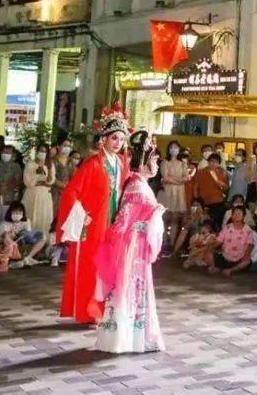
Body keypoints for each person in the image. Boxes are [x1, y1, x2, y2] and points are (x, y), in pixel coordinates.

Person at [56, 104, 131, 325]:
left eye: (121, 139)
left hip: (114, 223)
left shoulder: (121, 163)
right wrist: (82, 215)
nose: (117, 143)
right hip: (94, 224)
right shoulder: (93, 164)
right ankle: (90, 311)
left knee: (111, 267)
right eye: (114, 138)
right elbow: (71, 191)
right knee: (93, 267)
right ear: (104, 139)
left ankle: (106, 309)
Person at [93, 130, 166, 353]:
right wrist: (154, 218)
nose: (157, 165)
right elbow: (125, 223)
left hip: (136, 248)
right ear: (144, 161)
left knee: (134, 289)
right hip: (133, 249)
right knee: (131, 289)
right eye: (154, 160)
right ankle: (127, 338)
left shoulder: (137, 184)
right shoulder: (137, 187)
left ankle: (134, 337)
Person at [0, 201, 47, 268]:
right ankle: (15, 259)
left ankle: (28, 257)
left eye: (20, 212)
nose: (18, 214)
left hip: (25, 240)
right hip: (11, 243)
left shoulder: (26, 221)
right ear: (10, 212)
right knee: (9, 237)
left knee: (42, 235)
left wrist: (21, 234)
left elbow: (28, 235)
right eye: (15, 212)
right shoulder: (4, 224)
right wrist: (8, 235)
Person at [207, 204, 254, 277]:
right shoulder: (227, 227)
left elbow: (250, 244)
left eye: (239, 213)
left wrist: (247, 254)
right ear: (231, 216)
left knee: (247, 261)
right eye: (234, 213)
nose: (236, 215)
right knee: (208, 252)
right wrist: (210, 247)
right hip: (224, 257)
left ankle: (230, 270)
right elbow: (219, 240)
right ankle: (214, 267)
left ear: (243, 216)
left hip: (239, 259)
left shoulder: (248, 229)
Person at [159, 140, 189, 252]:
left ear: (179, 149)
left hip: (179, 193)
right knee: (165, 218)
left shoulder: (183, 163)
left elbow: (186, 178)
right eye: (171, 147)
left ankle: (172, 243)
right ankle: (164, 241)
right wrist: (179, 181)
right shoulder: (165, 162)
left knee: (175, 219)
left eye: (176, 147)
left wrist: (173, 179)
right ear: (168, 150)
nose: (173, 149)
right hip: (168, 192)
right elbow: (165, 178)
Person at [23, 143, 55, 235]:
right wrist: (37, 176)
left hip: (45, 195)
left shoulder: (49, 165)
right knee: (31, 215)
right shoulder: (30, 164)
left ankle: (43, 239)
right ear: (37, 151)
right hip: (32, 194)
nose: (42, 153)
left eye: (45, 151)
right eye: (41, 151)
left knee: (43, 217)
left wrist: (49, 169)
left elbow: (50, 181)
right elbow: (27, 182)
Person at [193, 153, 229, 231]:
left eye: (216, 162)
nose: (213, 163)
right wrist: (196, 199)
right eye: (211, 161)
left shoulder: (222, 172)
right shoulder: (201, 172)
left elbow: (226, 187)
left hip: (218, 202)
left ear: (219, 164)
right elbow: (196, 186)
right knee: (205, 225)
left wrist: (217, 180)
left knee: (218, 225)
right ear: (208, 162)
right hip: (204, 203)